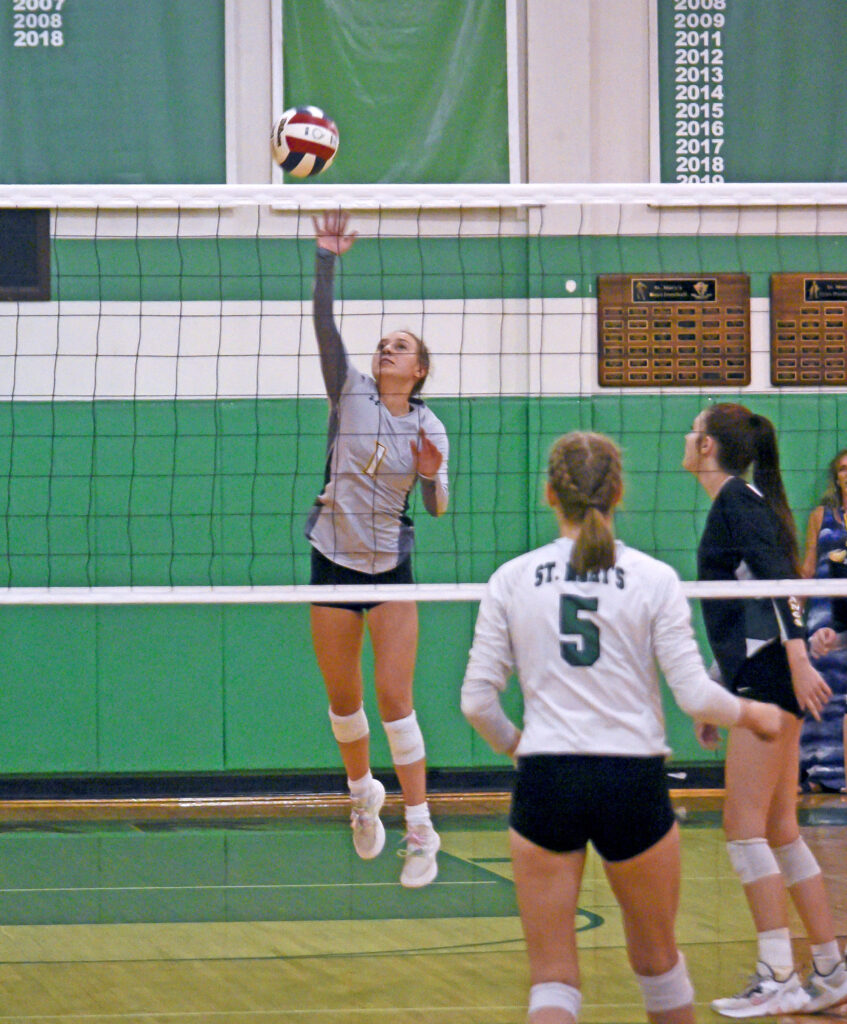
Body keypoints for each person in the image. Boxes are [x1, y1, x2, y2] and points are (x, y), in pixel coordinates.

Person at [461, 430, 782, 1024]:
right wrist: (753, 712)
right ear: (619, 492)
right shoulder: (653, 577)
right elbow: (692, 693)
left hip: (547, 778)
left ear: (550, 495)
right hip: (631, 779)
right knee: (659, 962)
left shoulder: (511, 578)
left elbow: (477, 700)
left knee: (552, 981)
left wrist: (516, 747)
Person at [683, 402, 847, 1016]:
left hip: (771, 683)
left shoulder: (736, 502)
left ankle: (777, 972)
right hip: (761, 675)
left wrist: (800, 660)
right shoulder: (747, 502)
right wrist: (717, 685)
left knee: (743, 826)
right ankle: (829, 969)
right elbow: (755, 602)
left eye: (694, 430)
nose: (687, 436)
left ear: (708, 448)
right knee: (779, 828)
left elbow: (781, 584)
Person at [306, 210, 449, 888]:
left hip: (390, 566)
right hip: (332, 559)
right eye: (383, 344)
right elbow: (324, 326)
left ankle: (420, 824)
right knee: (345, 699)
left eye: (399, 347)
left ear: (419, 369)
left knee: (396, 697)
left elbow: (437, 505)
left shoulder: (429, 425)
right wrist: (326, 258)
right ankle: (363, 793)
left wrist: (428, 475)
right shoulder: (350, 391)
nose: (384, 350)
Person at [800, 448, 847, 792]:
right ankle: (819, 770)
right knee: (822, 688)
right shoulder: (822, 515)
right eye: (843, 469)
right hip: (823, 612)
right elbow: (808, 564)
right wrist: (794, 611)